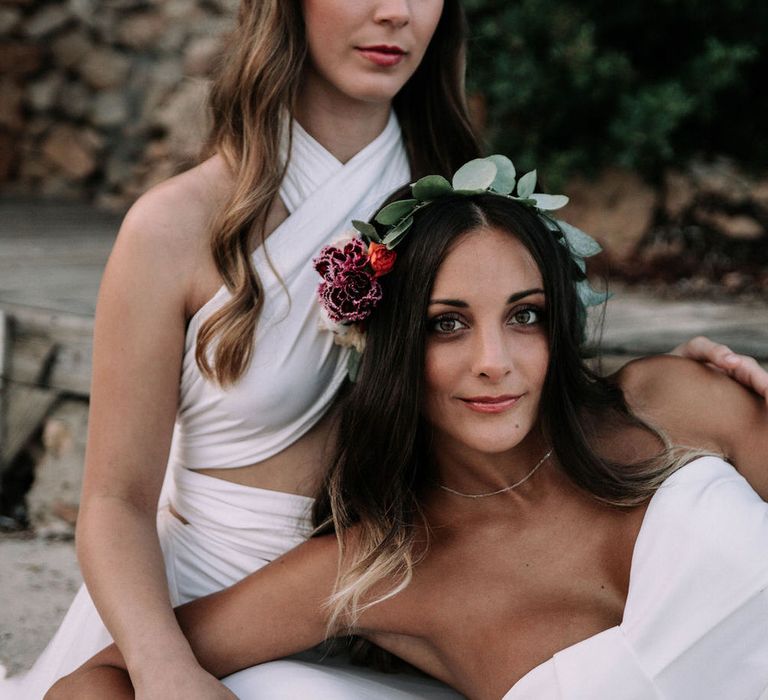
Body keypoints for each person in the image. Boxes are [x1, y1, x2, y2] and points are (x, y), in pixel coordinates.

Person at [2, 1, 763, 696]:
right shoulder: (174, 229)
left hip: (420, 594)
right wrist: (165, 666)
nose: (395, 12)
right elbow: (112, 502)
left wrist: (677, 388)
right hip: (212, 610)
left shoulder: (458, 191)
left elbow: (500, 381)